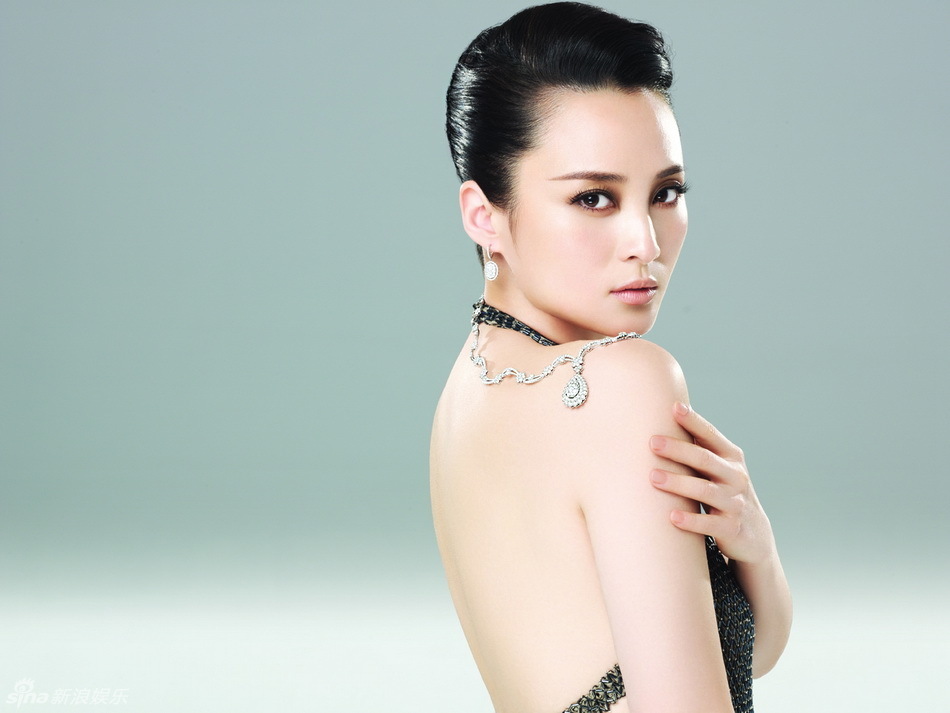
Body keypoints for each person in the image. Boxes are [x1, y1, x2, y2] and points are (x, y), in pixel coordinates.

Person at [429, 4, 792, 712]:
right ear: (483, 215)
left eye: (665, 193)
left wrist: (756, 548)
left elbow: (742, 658)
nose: (645, 244)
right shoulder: (622, 383)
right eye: (593, 197)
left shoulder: (468, 387)